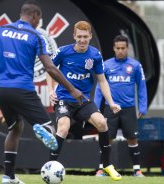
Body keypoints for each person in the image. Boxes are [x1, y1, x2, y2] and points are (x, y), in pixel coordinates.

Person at [0, 1, 86, 184]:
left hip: (1, 90)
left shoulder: (1, 30)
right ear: (34, 16)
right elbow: (50, 68)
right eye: (38, 20)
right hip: (23, 89)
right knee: (50, 127)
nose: (38, 24)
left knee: (15, 128)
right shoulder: (35, 35)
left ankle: (8, 176)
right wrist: (72, 89)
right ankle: (44, 128)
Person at [47, 21, 122, 181]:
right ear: (74, 36)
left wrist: (111, 102)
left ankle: (107, 165)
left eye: (85, 37)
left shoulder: (95, 55)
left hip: (83, 101)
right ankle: (50, 166)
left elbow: (102, 81)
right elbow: (50, 69)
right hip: (64, 98)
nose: (82, 40)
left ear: (90, 36)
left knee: (102, 123)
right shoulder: (63, 52)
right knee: (63, 128)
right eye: (79, 36)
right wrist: (51, 90)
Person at [94, 35, 147, 177]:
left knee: (132, 138)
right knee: (107, 138)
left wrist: (142, 107)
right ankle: (102, 169)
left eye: (123, 48)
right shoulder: (106, 64)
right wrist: (95, 107)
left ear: (127, 48)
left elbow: (141, 86)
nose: (120, 51)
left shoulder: (135, 65)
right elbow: (100, 87)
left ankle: (137, 170)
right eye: (118, 48)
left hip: (128, 108)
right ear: (113, 48)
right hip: (110, 108)